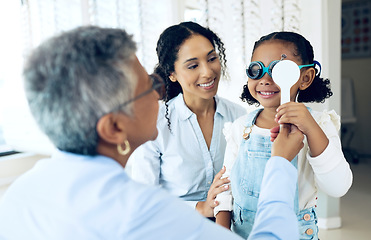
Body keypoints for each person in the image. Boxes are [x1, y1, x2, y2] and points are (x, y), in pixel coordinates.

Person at [0, 25, 302, 240]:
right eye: (148, 87)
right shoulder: (143, 213)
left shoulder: (19, 194)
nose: (159, 94)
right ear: (115, 128)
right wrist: (280, 164)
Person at [214, 31, 353, 240]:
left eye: (278, 70)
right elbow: (225, 190)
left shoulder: (321, 126)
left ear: (305, 78)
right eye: (256, 69)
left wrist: (310, 127)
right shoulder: (240, 128)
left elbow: (337, 186)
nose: (265, 79)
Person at [129, 21, 246, 217]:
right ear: (172, 74)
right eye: (193, 65)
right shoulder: (153, 123)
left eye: (211, 59)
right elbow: (144, 200)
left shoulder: (239, 117)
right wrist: (201, 208)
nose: (207, 72)